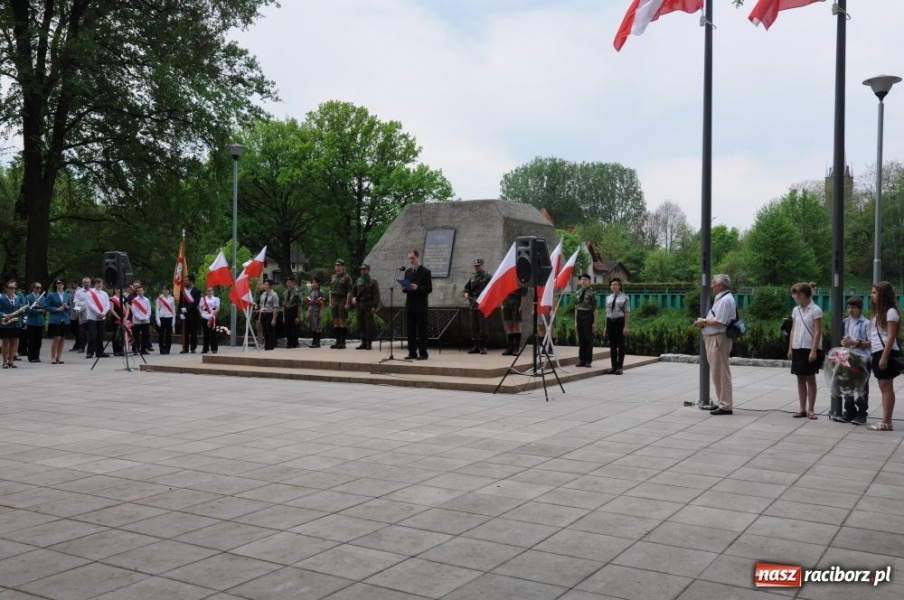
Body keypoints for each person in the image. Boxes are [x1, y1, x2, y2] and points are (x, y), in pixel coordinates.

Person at [694, 274, 736, 415]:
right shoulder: (723, 298)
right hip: (715, 339)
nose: (711, 285)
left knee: (721, 373)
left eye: (713, 283)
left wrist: (703, 321)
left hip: (718, 339)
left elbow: (720, 322)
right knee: (717, 373)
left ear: (719, 285)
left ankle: (725, 405)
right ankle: (721, 402)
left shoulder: (724, 301)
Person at [867, 281, 899, 431]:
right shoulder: (879, 313)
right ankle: (886, 420)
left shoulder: (890, 312)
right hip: (878, 351)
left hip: (886, 351)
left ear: (883, 295)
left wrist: (884, 357)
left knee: (886, 386)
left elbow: (891, 336)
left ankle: (886, 421)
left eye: (874, 293)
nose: (871, 295)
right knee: (883, 386)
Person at [787, 282, 823, 420]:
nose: (793, 297)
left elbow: (818, 331)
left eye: (794, 294)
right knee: (799, 378)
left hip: (809, 348)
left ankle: (811, 409)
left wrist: (813, 350)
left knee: (810, 378)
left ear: (801, 295)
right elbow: (793, 329)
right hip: (798, 347)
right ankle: (801, 408)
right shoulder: (796, 310)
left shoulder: (815, 310)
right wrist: (790, 347)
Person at [834, 296, 871, 424]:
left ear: (860, 309)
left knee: (862, 387)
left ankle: (861, 413)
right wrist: (843, 342)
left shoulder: (866, 323)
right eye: (848, 307)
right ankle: (849, 411)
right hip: (847, 357)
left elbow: (871, 342)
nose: (850, 310)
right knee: (846, 385)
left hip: (862, 358)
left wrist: (856, 342)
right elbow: (842, 339)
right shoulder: (845, 322)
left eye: (853, 307)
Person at [402, 249, 432, 360]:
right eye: (409, 258)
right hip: (410, 305)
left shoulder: (425, 271)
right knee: (410, 330)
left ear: (418, 257)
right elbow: (406, 289)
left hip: (420, 305)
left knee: (422, 330)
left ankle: (423, 353)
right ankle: (412, 352)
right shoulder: (408, 272)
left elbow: (429, 288)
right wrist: (404, 288)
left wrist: (418, 287)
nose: (411, 260)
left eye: (412, 258)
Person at [463, 258, 492, 354]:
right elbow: (467, 288)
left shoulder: (488, 276)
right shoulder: (473, 276)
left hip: (482, 305)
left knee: (483, 326)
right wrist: (466, 293)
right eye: (475, 266)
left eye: (478, 266)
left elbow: (491, 289)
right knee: (473, 326)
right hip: (473, 304)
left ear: (483, 265)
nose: (477, 267)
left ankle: (483, 346)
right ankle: (475, 346)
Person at [352, 264, 382, 350]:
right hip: (360, 305)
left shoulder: (372, 281)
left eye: (364, 269)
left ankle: (369, 342)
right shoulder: (358, 281)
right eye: (361, 270)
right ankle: (363, 342)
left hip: (368, 305)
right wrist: (353, 298)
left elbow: (376, 295)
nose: (362, 271)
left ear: (368, 270)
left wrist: (374, 306)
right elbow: (353, 291)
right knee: (360, 323)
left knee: (369, 324)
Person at [604, 277, 630, 375]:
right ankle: (613, 366)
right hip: (610, 321)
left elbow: (627, 312)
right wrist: (606, 327)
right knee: (612, 345)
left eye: (615, 284)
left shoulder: (624, 297)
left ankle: (620, 367)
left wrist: (625, 326)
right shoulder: (608, 297)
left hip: (619, 321)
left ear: (620, 286)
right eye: (612, 285)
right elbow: (607, 312)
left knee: (621, 344)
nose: (613, 286)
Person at [328, 259, 353, 349]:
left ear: (343, 266)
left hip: (342, 299)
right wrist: (330, 302)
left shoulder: (347, 277)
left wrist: (347, 303)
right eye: (336, 265)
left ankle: (342, 342)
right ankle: (337, 341)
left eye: (339, 265)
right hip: (334, 300)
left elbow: (349, 291)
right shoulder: (333, 277)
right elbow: (330, 290)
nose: (337, 267)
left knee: (342, 320)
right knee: (335, 320)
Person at [573, 274, 597, 368]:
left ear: (589, 281)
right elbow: (576, 308)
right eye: (582, 279)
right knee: (581, 338)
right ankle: (581, 360)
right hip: (579, 315)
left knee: (588, 338)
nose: (583, 281)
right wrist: (575, 321)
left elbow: (595, 309)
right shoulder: (578, 292)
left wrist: (594, 322)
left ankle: (588, 360)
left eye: (585, 279)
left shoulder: (592, 292)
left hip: (588, 315)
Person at [1, 281, 26, 368]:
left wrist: (22, 311)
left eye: (14, 288)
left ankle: (11, 361)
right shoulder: (2, 298)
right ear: (6, 289)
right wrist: (4, 315)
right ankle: (4, 361)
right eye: (10, 288)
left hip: (16, 323)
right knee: (5, 343)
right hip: (6, 323)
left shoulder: (18, 298)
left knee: (14, 343)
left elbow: (20, 309)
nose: (12, 290)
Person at [45, 279, 70, 364]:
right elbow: (46, 306)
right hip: (55, 318)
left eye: (62, 283)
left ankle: (59, 357)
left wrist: (66, 307)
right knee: (57, 338)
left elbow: (69, 307)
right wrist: (56, 309)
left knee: (62, 338)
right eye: (58, 283)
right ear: (55, 284)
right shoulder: (51, 294)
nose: (60, 284)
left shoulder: (67, 295)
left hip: (65, 318)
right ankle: (52, 356)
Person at [85, 278, 110, 359]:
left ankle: (100, 351)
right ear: (94, 284)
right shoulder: (90, 293)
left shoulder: (104, 294)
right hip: (92, 317)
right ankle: (90, 352)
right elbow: (91, 305)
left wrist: (103, 313)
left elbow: (107, 305)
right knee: (92, 335)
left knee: (100, 335)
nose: (99, 284)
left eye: (101, 283)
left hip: (102, 317)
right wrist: (98, 313)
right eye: (98, 283)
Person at [24, 282, 46, 362]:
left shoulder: (42, 297)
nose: (38, 289)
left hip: (40, 321)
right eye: (37, 287)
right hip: (31, 322)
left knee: (38, 341)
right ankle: (31, 357)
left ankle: (37, 356)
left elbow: (44, 307)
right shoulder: (28, 297)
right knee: (31, 340)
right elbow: (27, 310)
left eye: (40, 288)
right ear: (33, 288)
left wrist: (42, 309)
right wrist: (37, 310)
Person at [179, 275, 201, 353]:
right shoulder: (183, 291)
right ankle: (185, 348)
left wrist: (187, 308)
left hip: (193, 314)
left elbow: (196, 302)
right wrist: (180, 312)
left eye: (186, 280)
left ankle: (193, 347)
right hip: (184, 315)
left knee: (193, 332)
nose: (185, 282)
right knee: (185, 332)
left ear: (191, 281)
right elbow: (180, 303)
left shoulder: (197, 291)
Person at [501, 289, 526, 356]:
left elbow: (523, 291)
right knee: (509, 324)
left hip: (516, 298)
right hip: (506, 298)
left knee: (516, 324)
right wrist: (502, 301)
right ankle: (510, 348)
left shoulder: (520, 278)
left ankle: (516, 348)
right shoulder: (505, 278)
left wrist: (522, 305)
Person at [130, 284, 152, 354]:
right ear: (137, 292)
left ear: (143, 291)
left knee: (145, 335)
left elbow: (149, 310)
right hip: (137, 321)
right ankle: (135, 349)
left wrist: (146, 318)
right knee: (136, 336)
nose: (140, 292)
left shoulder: (147, 300)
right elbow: (134, 311)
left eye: (141, 291)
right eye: (139, 291)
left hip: (146, 320)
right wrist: (140, 318)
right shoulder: (134, 300)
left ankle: (143, 349)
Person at [71, 277, 91, 352]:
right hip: (82, 315)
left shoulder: (93, 291)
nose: (87, 284)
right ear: (83, 283)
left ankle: (91, 348)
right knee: (82, 333)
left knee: (92, 333)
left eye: (88, 282)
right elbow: (76, 305)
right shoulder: (78, 292)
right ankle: (81, 347)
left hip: (92, 315)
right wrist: (85, 303)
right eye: (85, 282)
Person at [258, 280, 279, 350]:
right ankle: (266, 346)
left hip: (270, 314)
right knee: (265, 331)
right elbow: (261, 307)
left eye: (266, 285)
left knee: (270, 331)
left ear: (270, 286)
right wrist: (259, 318)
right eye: (264, 284)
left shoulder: (274, 295)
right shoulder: (263, 295)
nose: (264, 286)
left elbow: (275, 307)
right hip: (263, 314)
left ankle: (271, 346)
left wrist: (274, 319)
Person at [200, 286, 221, 354]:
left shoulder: (216, 299)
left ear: (213, 291)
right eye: (208, 291)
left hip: (213, 317)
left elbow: (217, 308)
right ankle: (205, 349)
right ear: (206, 292)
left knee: (213, 333)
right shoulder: (203, 299)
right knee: (205, 334)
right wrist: (202, 314)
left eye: (210, 291)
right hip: (205, 316)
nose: (209, 292)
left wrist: (211, 315)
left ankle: (214, 348)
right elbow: (200, 307)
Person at [155, 285, 175, 354]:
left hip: (169, 317)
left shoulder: (171, 298)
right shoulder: (159, 298)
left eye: (167, 289)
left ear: (169, 290)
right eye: (164, 289)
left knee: (168, 335)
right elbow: (157, 309)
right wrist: (158, 320)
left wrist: (173, 321)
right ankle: (162, 349)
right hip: (162, 317)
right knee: (161, 334)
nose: (165, 291)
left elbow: (173, 310)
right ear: (162, 290)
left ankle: (167, 349)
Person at [283, 276, 301, 349]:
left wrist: (298, 316)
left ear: (293, 283)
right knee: (287, 329)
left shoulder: (297, 292)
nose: (288, 284)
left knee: (294, 329)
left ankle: (295, 343)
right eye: (287, 282)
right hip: (287, 311)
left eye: (289, 282)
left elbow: (299, 305)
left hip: (294, 311)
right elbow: (284, 305)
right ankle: (289, 343)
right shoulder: (285, 292)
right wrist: (284, 316)